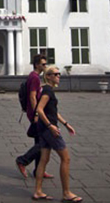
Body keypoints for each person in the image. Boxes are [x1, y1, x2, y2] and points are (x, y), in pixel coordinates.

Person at [33, 65, 81, 202]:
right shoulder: (48, 90)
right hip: (49, 130)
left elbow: (52, 111)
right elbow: (40, 109)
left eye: (59, 74)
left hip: (43, 129)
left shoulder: (47, 90)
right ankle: (66, 193)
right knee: (66, 159)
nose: (58, 76)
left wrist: (66, 124)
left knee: (44, 160)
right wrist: (51, 126)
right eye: (55, 74)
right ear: (48, 76)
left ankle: (38, 191)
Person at [16, 54, 53, 180]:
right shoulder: (35, 78)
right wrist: (37, 113)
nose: (45, 66)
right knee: (44, 141)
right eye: (43, 64)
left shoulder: (34, 77)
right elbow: (32, 96)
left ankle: (39, 170)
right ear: (37, 64)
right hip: (36, 114)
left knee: (39, 141)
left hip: (35, 112)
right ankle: (23, 160)